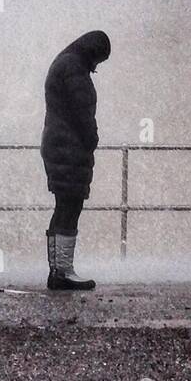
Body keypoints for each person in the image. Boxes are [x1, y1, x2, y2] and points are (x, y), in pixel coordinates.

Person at [40, 29, 111, 291]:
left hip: (59, 145)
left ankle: (58, 271)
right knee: (70, 206)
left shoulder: (65, 62)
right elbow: (82, 111)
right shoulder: (74, 67)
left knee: (63, 205)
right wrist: (92, 138)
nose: (96, 66)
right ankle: (63, 273)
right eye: (98, 60)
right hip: (69, 148)